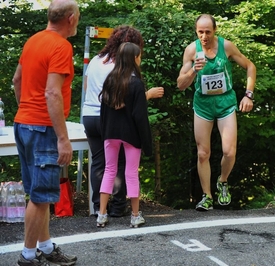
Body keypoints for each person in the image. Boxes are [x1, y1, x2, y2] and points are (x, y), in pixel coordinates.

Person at [12, 0, 80, 265]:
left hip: (24, 123)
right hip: (44, 128)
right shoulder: (61, 46)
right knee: (41, 197)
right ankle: (29, 256)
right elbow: (52, 92)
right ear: (71, 18)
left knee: (39, 194)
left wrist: (26, 111)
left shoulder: (33, 41)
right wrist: (63, 138)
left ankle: (47, 247)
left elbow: (17, 80)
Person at [177, 14, 256, 211]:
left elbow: (250, 66)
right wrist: (194, 70)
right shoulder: (191, 50)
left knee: (229, 151)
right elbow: (180, 85)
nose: (204, 36)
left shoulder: (226, 46)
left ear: (215, 30)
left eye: (208, 32)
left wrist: (248, 95)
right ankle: (207, 196)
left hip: (225, 103)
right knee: (203, 153)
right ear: (196, 31)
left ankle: (222, 181)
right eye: (200, 32)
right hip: (203, 105)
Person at [82, 25, 164, 217]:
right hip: (111, 120)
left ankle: (98, 208)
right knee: (119, 164)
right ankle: (118, 207)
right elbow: (128, 98)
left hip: (89, 115)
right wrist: (148, 95)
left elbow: (86, 86)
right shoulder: (121, 66)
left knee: (99, 163)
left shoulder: (96, 60)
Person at [96, 42, 152, 228]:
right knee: (131, 173)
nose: (140, 58)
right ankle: (135, 215)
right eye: (139, 55)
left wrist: (104, 133)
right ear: (134, 58)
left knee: (109, 170)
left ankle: (102, 214)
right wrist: (146, 142)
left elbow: (103, 112)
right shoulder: (136, 83)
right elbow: (140, 116)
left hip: (110, 133)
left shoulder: (110, 81)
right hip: (131, 135)